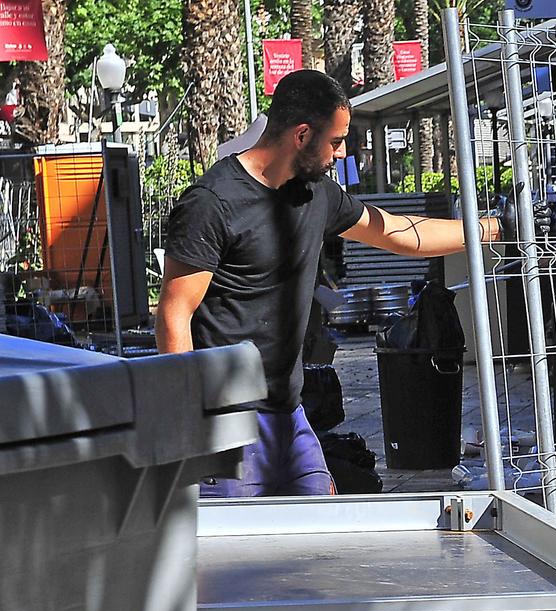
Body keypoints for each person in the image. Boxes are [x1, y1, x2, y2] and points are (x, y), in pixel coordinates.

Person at [155, 69, 501, 497]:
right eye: (336, 142)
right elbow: (174, 313)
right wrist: (193, 426)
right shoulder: (212, 203)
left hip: (289, 415)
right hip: (225, 420)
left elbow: (399, 232)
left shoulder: (317, 194)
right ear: (302, 135)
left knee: (324, 538)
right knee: (236, 557)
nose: (341, 154)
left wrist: (492, 228)